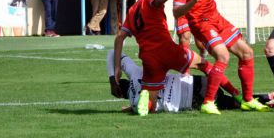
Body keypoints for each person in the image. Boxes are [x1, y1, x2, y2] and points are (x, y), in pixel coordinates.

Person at [174, 0, 270, 115]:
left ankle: (247, 100)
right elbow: (176, 12)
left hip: (217, 19)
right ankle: (208, 102)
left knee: (247, 52)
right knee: (223, 56)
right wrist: (193, 1)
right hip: (201, 23)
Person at [113, 0, 201, 116]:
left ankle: (140, 104)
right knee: (208, 65)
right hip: (165, 50)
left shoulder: (133, 9)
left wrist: (117, 67)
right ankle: (235, 95)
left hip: (148, 57)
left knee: (151, 106)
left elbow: (119, 36)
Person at [107, 51, 261, 113]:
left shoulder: (135, 104)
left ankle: (262, 98)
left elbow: (146, 106)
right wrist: (112, 79)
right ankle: (246, 96)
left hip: (192, 101)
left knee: (231, 104)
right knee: (207, 68)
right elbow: (112, 52)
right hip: (196, 83)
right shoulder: (135, 73)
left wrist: (130, 108)